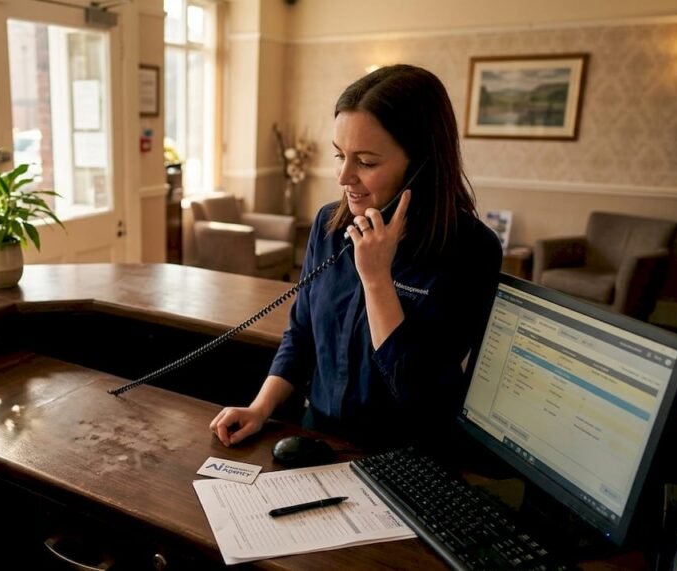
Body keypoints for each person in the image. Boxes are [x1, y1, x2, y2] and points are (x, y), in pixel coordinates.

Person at [210, 65, 502, 449]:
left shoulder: (471, 250)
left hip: (403, 455)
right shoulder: (329, 226)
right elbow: (301, 335)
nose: (344, 176)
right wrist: (260, 407)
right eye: (339, 155)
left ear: (421, 165)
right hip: (316, 434)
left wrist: (377, 279)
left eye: (365, 162)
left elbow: (419, 393)